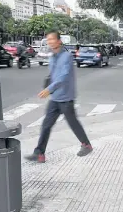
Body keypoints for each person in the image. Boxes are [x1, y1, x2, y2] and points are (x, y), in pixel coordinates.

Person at [25, 30, 93, 163]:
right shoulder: (52, 57)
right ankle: (39, 153)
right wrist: (47, 87)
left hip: (66, 98)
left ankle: (87, 145)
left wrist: (49, 89)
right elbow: (53, 75)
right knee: (46, 125)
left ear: (59, 41)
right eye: (48, 40)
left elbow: (64, 76)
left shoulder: (67, 56)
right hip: (55, 98)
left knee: (73, 122)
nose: (50, 42)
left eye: (52, 39)